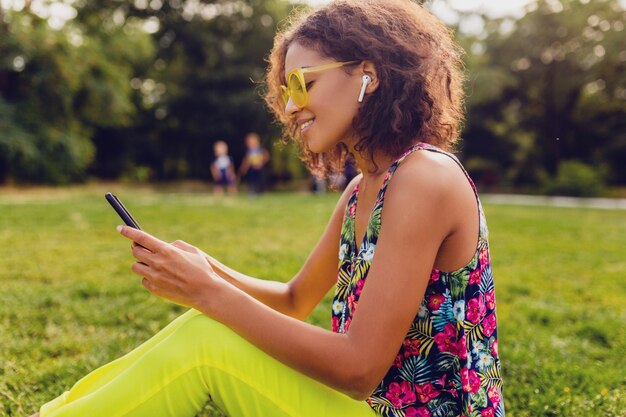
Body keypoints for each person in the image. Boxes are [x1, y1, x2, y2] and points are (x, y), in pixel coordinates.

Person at [31, 1, 505, 416]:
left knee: (206, 342)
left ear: (368, 75)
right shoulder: (363, 190)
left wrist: (210, 294)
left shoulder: (424, 177)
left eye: (301, 83)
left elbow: (359, 369)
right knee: (203, 324)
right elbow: (295, 299)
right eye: (284, 91)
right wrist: (208, 273)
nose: (291, 106)